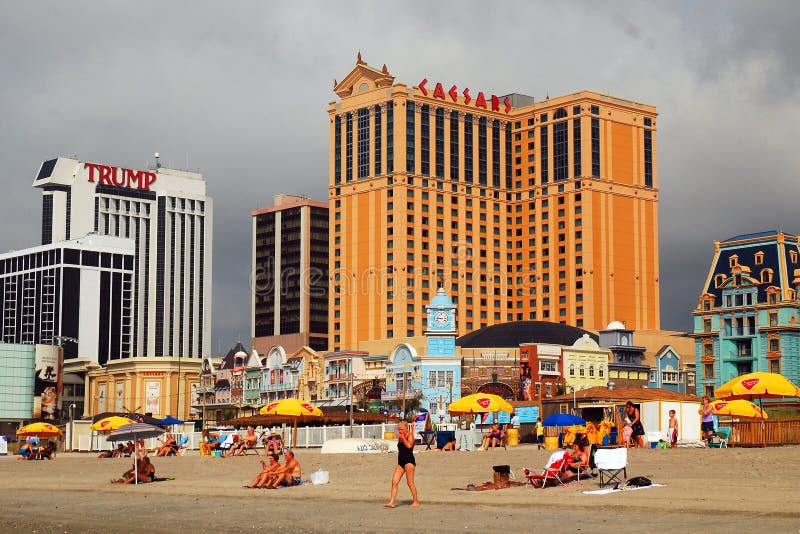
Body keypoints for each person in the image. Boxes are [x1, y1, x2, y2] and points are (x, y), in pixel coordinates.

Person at [384, 421, 419, 508]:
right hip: (401, 462)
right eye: (399, 429)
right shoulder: (400, 436)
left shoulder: (409, 436)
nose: (400, 431)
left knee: (410, 483)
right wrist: (401, 437)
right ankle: (392, 502)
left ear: (406, 428)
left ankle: (416, 501)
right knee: (394, 481)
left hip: (409, 461)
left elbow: (410, 446)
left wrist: (403, 438)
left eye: (401, 429)